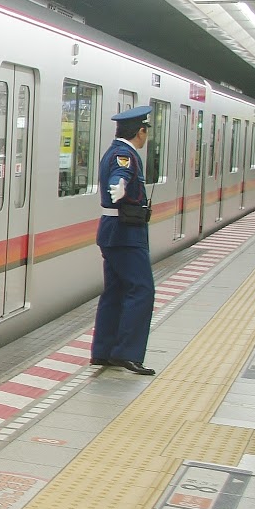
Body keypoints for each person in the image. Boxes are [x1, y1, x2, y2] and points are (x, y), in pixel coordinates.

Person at [92, 105, 156, 375]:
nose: (146, 138)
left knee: (115, 291)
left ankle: (104, 350)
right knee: (142, 289)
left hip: (113, 231)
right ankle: (127, 353)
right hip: (125, 233)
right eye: (146, 132)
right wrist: (118, 186)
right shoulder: (124, 154)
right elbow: (122, 174)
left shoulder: (114, 150)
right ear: (140, 131)